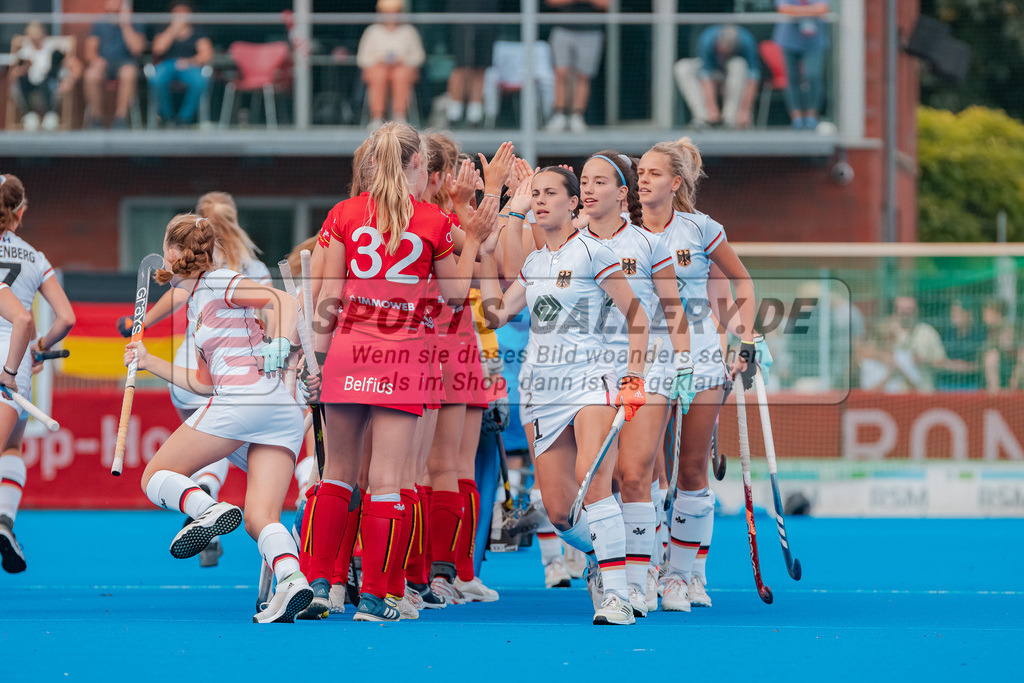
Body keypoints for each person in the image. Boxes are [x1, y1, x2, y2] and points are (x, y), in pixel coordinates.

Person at [309, 122, 498, 622]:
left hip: (348, 352)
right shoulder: (432, 220)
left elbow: (324, 298)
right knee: (388, 479)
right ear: (418, 164)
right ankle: (376, 596)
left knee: (336, 475)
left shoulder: (343, 214)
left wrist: (315, 362)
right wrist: (474, 239)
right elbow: (456, 297)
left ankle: (320, 585)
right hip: (404, 357)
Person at [478, 166, 652, 626]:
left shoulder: (595, 252)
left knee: (593, 483)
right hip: (541, 391)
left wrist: (634, 375)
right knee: (558, 511)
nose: (540, 201)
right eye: (534, 194)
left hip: (591, 380)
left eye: (550, 193)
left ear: (573, 203)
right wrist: (484, 253)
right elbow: (495, 314)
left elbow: (638, 316)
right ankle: (612, 558)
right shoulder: (534, 265)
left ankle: (617, 594)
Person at [124, 213, 311, 623]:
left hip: (247, 401)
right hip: (277, 412)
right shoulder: (198, 304)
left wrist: (279, 342)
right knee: (261, 517)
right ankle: (292, 577)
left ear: (173, 252)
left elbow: (284, 300)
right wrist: (148, 360)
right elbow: (204, 383)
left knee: (154, 475)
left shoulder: (220, 281)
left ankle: (204, 510)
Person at [116, 191, 274, 568]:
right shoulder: (252, 267)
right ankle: (287, 554)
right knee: (245, 461)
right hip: (243, 383)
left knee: (202, 448)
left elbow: (177, 295)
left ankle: (205, 498)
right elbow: (270, 316)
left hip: (196, 378)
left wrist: (141, 324)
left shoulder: (200, 269)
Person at [637, 138, 759, 611]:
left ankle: (682, 577)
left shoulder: (701, 229)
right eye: (640, 172)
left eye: (652, 172)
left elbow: (740, 282)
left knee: (690, 467)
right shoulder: (621, 231)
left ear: (676, 182)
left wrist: (745, 337)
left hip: (702, 356)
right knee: (643, 469)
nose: (642, 179)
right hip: (644, 357)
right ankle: (643, 567)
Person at [577, 151, 695, 617]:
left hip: (649, 368)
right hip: (587, 371)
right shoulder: (572, 244)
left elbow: (672, 308)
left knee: (634, 474)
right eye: (583, 181)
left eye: (599, 181)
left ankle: (638, 574)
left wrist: (684, 364)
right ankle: (606, 567)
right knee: (588, 485)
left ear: (622, 193)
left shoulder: (647, 243)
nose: (588, 190)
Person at [0, 173, 76, 574]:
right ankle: (5, 522)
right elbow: (66, 317)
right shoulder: (35, 257)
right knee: (10, 449)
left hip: (9, 367)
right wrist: (39, 349)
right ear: (21, 213)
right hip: (14, 365)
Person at [674, 24, 760, 129]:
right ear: (717, 44)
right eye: (722, 53)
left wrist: (745, 110)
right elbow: (705, 77)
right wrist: (712, 109)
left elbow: (752, 79)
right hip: (714, 73)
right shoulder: (707, 39)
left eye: (727, 54)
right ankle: (703, 119)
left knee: (739, 64)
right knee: (683, 67)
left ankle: (729, 120)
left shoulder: (747, 41)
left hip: (733, 75)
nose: (723, 57)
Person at [356, 0, 425, 129]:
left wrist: (402, 60)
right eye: (388, 12)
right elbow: (362, 58)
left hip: (402, 68)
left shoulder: (409, 31)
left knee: (401, 75)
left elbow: (419, 56)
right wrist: (379, 60)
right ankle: (377, 117)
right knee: (379, 74)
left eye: (395, 12)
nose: (392, 16)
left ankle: (400, 116)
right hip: (378, 68)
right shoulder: (372, 31)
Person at [544, 0, 608, 133]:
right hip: (563, 28)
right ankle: (559, 115)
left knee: (583, 75)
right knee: (561, 73)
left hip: (590, 30)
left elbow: (605, 3)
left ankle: (577, 116)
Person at [84, 0, 146, 129]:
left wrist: (126, 25)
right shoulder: (99, 23)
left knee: (128, 73)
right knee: (91, 75)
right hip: (104, 63)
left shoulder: (135, 22)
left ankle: (120, 119)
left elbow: (137, 49)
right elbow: (90, 50)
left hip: (126, 62)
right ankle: (97, 119)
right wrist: (96, 60)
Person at [150, 1, 213, 127]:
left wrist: (189, 61)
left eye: (184, 12)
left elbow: (206, 55)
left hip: (189, 65)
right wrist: (173, 29)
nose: (181, 15)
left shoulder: (198, 31)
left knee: (200, 81)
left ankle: (184, 118)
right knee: (156, 79)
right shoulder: (163, 28)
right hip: (167, 65)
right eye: (178, 12)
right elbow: (158, 49)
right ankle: (167, 118)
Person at [9, 22, 81, 132]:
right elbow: (13, 73)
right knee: (21, 81)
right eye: (32, 38)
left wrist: (69, 79)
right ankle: (30, 115)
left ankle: (50, 115)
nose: (35, 40)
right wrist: (25, 68)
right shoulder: (24, 53)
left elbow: (74, 65)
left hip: (50, 84)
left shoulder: (53, 51)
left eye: (37, 37)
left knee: (46, 82)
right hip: (31, 86)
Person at [772, 0, 830, 131]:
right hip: (789, 41)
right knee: (792, 79)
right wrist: (811, 11)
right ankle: (796, 117)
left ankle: (811, 116)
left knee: (813, 76)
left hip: (814, 41)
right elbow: (783, 9)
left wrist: (797, 11)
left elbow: (823, 8)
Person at [444, 0, 499, 127]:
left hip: (487, 19)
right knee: (461, 66)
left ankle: (475, 111)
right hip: (461, 19)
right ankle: (455, 111)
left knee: (481, 66)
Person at [890, 296, 946, 393]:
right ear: (895, 311)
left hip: (923, 391)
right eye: (902, 309)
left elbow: (941, 361)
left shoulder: (928, 332)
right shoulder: (888, 331)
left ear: (916, 311)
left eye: (909, 309)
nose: (906, 313)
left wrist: (923, 361)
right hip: (894, 392)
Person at [936, 299, 984, 390]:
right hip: (946, 384)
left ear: (968, 314)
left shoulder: (979, 335)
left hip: (970, 385)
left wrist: (964, 367)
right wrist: (955, 365)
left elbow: (980, 365)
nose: (953, 315)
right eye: (952, 311)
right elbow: (938, 361)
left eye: (957, 312)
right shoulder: (946, 334)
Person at [981, 298, 1016, 394]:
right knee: (991, 357)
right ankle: (995, 392)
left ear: (997, 314)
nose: (984, 316)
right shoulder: (984, 329)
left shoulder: (1007, 327)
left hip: (1008, 361)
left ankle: (1011, 391)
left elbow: (1008, 347)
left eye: (987, 313)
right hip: (986, 362)